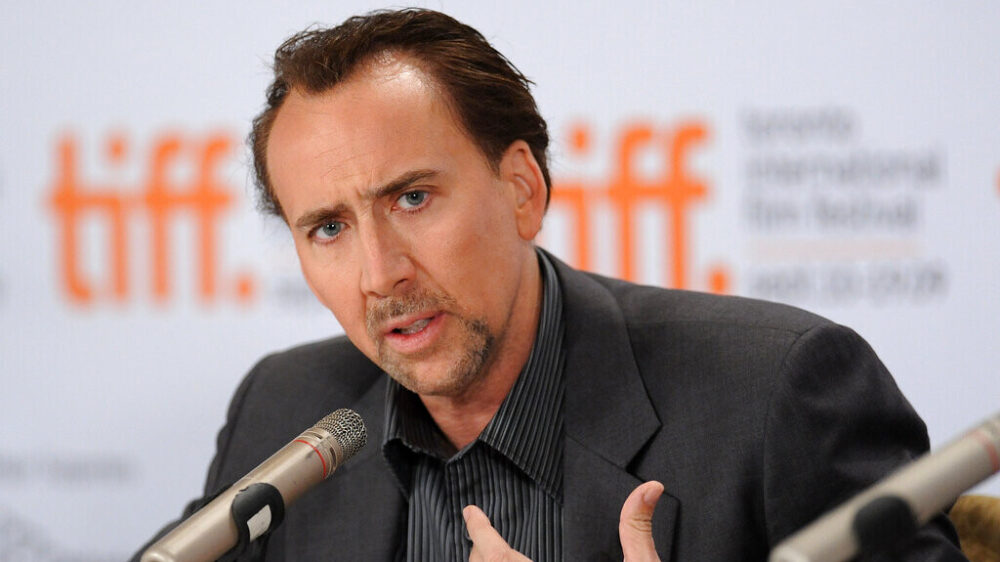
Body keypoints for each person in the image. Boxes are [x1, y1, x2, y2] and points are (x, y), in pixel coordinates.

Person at [136, 8, 966, 561]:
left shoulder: (774, 395)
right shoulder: (287, 412)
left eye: (413, 198)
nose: (380, 273)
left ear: (523, 190)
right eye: (328, 228)